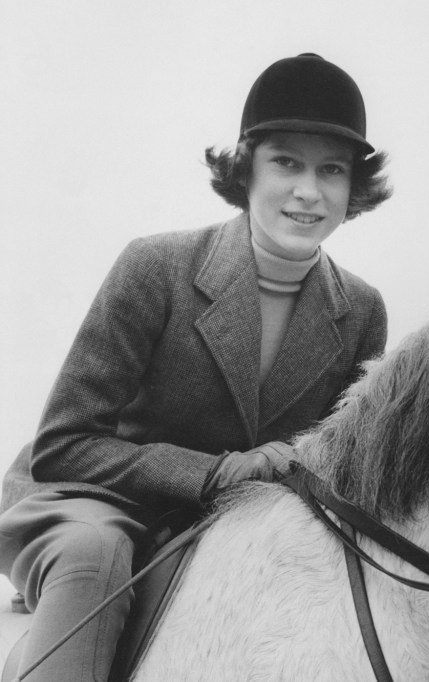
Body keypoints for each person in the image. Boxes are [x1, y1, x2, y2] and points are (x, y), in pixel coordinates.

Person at [0, 52, 390, 681]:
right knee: (97, 557)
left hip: (240, 523)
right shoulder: (156, 267)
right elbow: (62, 445)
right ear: (245, 167)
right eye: (286, 162)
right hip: (94, 503)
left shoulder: (363, 311)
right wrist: (208, 474)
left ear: (353, 187)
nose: (309, 191)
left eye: (332, 170)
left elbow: (336, 461)